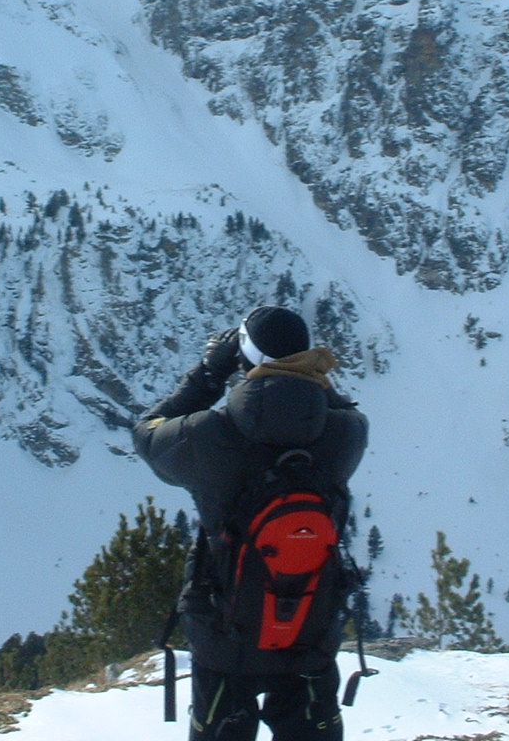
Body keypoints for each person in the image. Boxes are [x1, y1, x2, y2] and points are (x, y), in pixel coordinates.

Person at [133, 305, 369, 741]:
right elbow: (339, 410)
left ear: (245, 360)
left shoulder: (208, 435)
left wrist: (209, 372)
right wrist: (310, 379)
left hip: (225, 634)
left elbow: (147, 433)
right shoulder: (346, 435)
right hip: (310, 628)